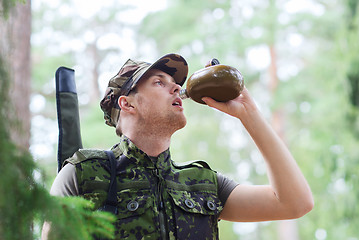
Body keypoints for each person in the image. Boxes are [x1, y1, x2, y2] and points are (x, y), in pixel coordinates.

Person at [42, 53, 313, 239]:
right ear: (127, 103)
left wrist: (248, 112)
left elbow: (295, 203)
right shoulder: (84, 175)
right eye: (160, 82)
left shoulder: (202, 184)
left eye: (176, 84)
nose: (176, 89)